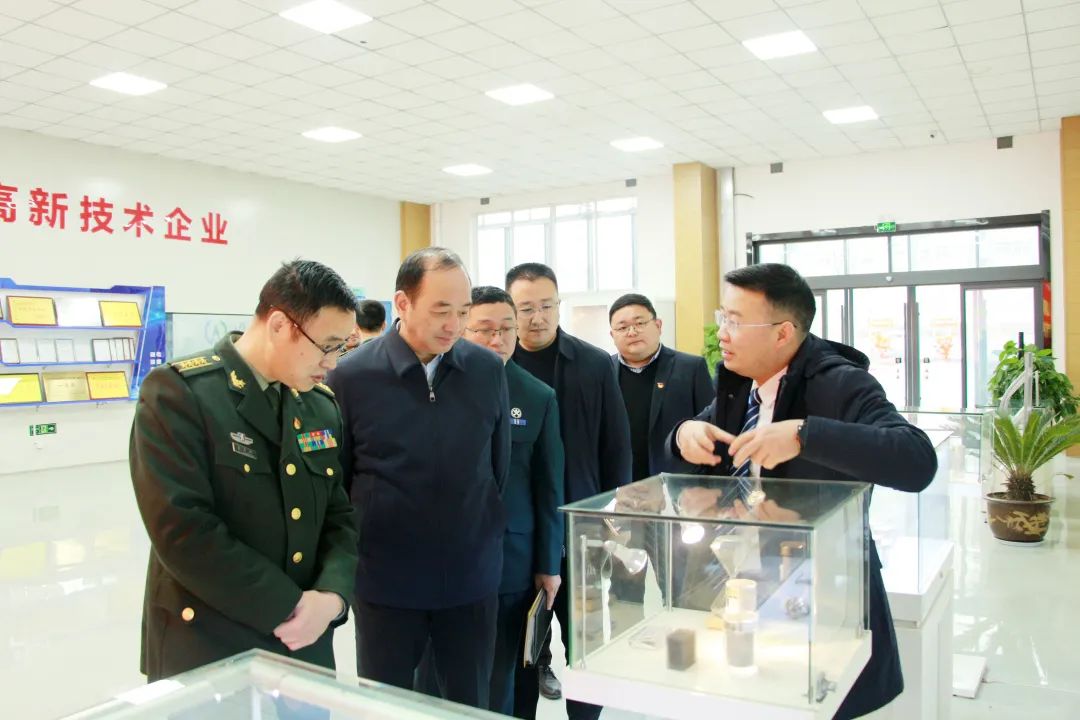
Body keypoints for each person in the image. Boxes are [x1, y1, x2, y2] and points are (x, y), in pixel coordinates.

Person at [666, 262, 938, 719]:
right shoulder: (741, 386)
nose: (723, 333)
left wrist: (804, 435)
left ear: (783, 333)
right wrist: (682, 434)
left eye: (736, 321)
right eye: (722, 317)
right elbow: (697, 440)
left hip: (821, 593)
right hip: (743, 589)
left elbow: (916, 460)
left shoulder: (842, 383)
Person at [130, 259, 359, 681]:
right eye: (327, 346)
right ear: (280, 325)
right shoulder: (181, 394)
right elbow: (183, 530)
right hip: (210, 647)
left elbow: (338, 516)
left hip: (305, 645)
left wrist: (331, 597)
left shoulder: (320, 407)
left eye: (342, 347)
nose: (332, 362)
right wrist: (289, 605)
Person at [328, 247, 510, 711]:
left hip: (470, 581)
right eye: (441, 310)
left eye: (463, 311)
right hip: (386, 583)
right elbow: (340, 482)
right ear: (402, 304)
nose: (454, 324)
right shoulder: (352, 377)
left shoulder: (487, 370)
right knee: (385, 705)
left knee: (469, 704)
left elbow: (498, 466)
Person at [506, 262, 631, 720]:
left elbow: (616, 447)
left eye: (546, 305)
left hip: (583, 531)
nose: (537, 317)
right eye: (525, 308)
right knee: (519, 645)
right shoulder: (496, 367)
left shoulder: (594, 364)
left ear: (559, 306)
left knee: (586, 642)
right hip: (521, 534)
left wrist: (614, 517)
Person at [461, 286, 564, 717]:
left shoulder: (537, 395)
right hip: (452, 553)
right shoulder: (443, 387)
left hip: (514, 557)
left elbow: (549, 486)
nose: (497, 339)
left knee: (507, 669)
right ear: (462, 330)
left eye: (506, 329)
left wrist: (549, 564)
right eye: (484, 329)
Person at [606, 292, 714, 621]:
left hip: (676, 503)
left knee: (682, 587)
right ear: (612, 334)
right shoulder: (603, 371)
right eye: (622, 327)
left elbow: (711, 431)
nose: (632, 331)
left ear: (658, 325)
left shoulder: (690, 368)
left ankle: (683, 644)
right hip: (625, 502)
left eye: (640, 323)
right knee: (623, 590)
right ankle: (626, 644)